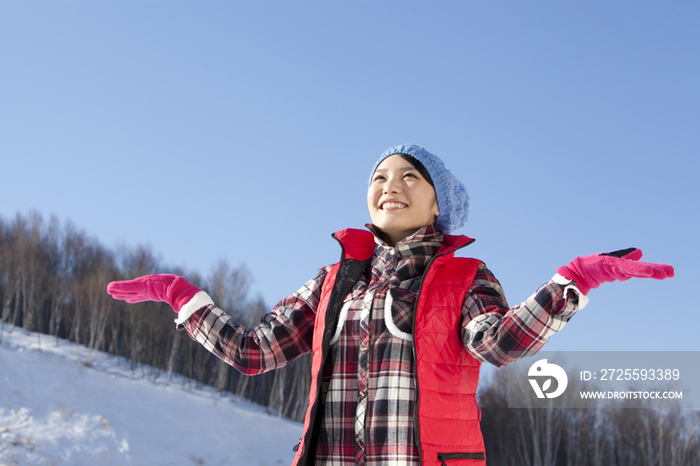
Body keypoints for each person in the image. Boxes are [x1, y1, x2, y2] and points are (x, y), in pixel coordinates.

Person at [107, 144, 674, 466]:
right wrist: (183, 298)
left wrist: (574, 281)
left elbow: (499, 344)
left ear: (437, 206)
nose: (389, 184)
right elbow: (255, 352)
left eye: (409, 176)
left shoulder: (464, 276)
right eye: (379, 176)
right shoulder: (335, 279)